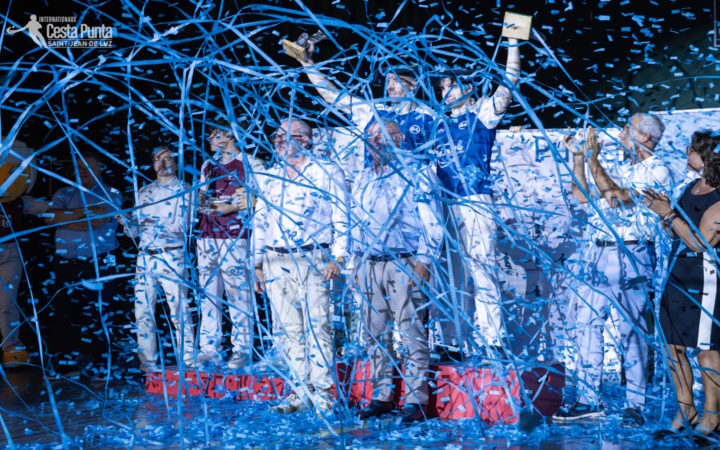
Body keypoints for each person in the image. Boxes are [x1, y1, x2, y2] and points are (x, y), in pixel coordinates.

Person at [553, 114, 672, 426]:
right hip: (597, 251)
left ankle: (635, 405)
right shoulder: (618, 166)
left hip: (632, 252)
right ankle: (588, 399)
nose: (619, 134)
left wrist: (594, 159)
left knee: (631, 330)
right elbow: (581, 196)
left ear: (644, 138)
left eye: (626, 129)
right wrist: (579, 158)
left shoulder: (658, 169)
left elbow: (617, 198)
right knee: (586, 324)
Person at [430, 37, 520, 360]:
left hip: (476, 201)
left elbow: (509, 84)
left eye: (451, 85)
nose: (446, 92)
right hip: (446, 205)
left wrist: (513, 43)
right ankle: (451, 341)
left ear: (468, 87)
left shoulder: (481, 114)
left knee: (482, 271)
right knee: (450, 275)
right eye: (442, 88)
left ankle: (493, 341)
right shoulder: (436, 124)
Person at [253, 118, 348, 414]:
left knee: (317, 326)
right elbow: (260, 220)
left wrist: (338, 256)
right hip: (275, 259)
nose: (278, 142)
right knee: (289, 330)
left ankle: (323, 393)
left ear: (304, 141)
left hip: (312, 257)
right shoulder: (270, 176)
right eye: (277, 137)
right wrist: (257, 263)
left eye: (285, 137)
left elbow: (341, 213)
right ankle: (299, 391)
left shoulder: (325, 171)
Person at [350, 119, 443, 423]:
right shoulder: (363, 177)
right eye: (372, 137)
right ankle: (382, 396)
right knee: (374, 333)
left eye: (384, 136)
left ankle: (416, 400)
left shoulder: (416, 172)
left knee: (411, 331)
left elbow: (432, 220)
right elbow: (355, 222)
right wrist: (354, 261)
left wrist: (425, 261)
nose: (377, 142)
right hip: (369, 262)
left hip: (404, 261)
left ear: (399, 139)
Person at [645, 131, 720, 442]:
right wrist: (663, 212)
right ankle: (686, 411)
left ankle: (712, 416)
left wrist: (669, 213)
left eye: (691, 149)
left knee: (707, 351)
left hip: (706, 280)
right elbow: (675, 231)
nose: (686, 152)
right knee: (671, 345)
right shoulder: (690, 188)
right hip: (678, 275)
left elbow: (700, 242)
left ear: (708, 158)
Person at [44, 151, 122, 376]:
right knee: (64, 313)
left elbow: (97, 221)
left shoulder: (111, 193)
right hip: (66, 263)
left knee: (99, 313)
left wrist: (66, 217)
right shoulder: (63, 192)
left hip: (99, 263)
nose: (82, 172)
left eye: (88, 167)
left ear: (100, 169)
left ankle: (102, 365)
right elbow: (49, 218)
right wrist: (83, 215)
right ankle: (66, 364)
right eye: (79, 167)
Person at [118, 146, 195, 370]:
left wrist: (150, 222)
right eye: (157, 159)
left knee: (179, 310)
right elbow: (134, 233)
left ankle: (188, 360)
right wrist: (127, 223)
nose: (162, 164)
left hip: (172, 255)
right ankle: (147, 364)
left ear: (176, 163)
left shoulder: (186, 190)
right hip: (145, 257)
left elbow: (183, 227)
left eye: (167, 159)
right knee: (143, 312)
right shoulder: (144, 191)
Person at [196, 122, 264, 369]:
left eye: (215, 134)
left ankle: (242, 349)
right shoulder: (208, 165)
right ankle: (209, 349)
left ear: (230, 134)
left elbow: (258, 199)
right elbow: (202, 202)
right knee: (209, 295)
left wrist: (230, 206)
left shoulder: (252, 163)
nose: (210, 138)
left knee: (238, 295)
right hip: (206, 237)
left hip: (236, 237)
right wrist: (221, 205)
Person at [0, 139, 47, 368]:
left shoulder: (21, 203)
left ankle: (12, 348)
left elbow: (50, 209)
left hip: (10, 253)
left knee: (6, 303)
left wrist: (82, 211)